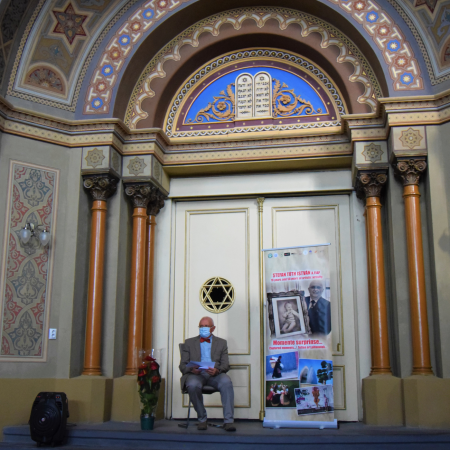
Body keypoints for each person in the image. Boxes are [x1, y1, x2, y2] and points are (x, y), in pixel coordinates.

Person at [179, 316, 236, 432]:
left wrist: (217, 370)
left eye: (206, 326)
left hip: (215, 374)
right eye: (201, 326)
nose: (203, 328)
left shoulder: (222, 343)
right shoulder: (189, 343)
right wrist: (192, 369)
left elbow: (226, 365)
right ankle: (202, 419)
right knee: (192, 384)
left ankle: (228, 421)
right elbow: (182, 366)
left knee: (226, 381)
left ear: (213, 328)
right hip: (196, 375)